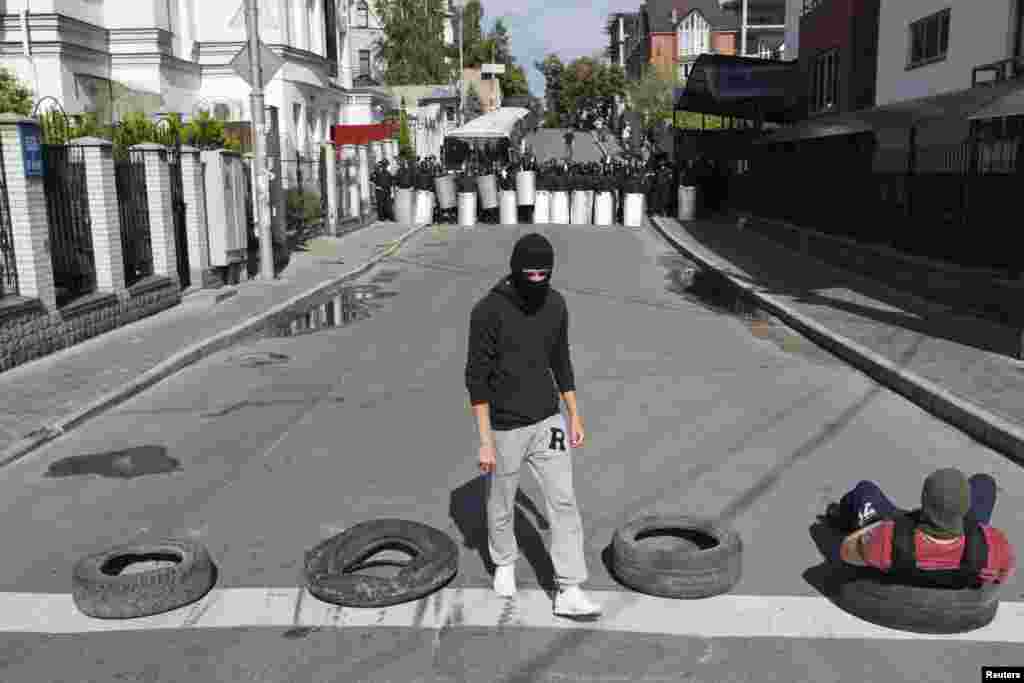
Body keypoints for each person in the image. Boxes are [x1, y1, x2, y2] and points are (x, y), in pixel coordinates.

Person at [465, 233, 602, 618]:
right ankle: (505, 560)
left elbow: (562, 361)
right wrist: (485, 440)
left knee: (563, 501)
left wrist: (574, 413)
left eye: (546, 272)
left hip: (548, 418)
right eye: (531, 273)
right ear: (516, 269)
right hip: (505, 426)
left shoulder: (556, 305)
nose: (538, 279)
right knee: (502, 499)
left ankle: (569, 588)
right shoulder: (488, 311)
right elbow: (476, 379)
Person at [829, 468, 1015, 587]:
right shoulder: (995, 544)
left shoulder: (886, 537)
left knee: (865, 489)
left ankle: (840, 516)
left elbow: (847, 551)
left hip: (903, 545)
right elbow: (1001, 578)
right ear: (966, 509)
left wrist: (883, 526)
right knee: (984, 482)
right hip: (968, 555)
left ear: (923, 503)